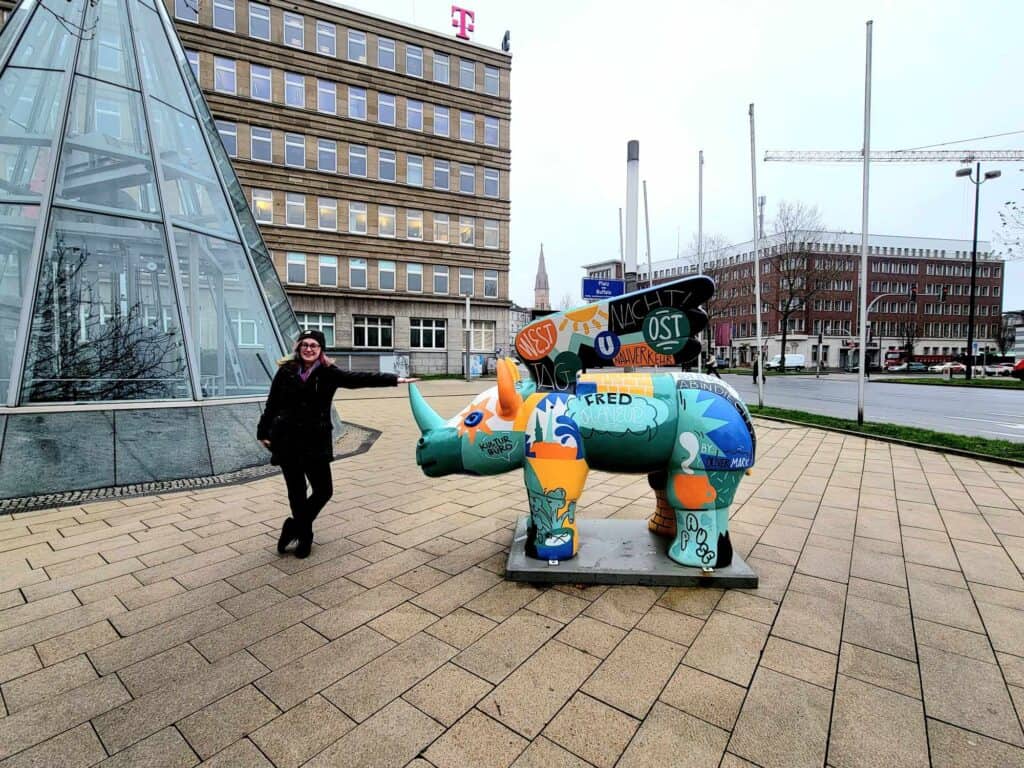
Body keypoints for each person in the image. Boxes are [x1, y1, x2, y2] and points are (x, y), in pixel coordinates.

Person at [258, 330, 416, 558]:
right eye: (305, 345)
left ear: (321, 349)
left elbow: (358, 379)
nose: (309, 349)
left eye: (314, 345)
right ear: (298, 348)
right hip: (287, 441)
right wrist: (262, 431)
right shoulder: (286, 372)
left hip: (315, 442)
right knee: (297, 492)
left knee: (323, 490)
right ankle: (305, 537)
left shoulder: (328, 373)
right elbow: (272, 403)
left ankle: (293, 526)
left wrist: (394, 379)